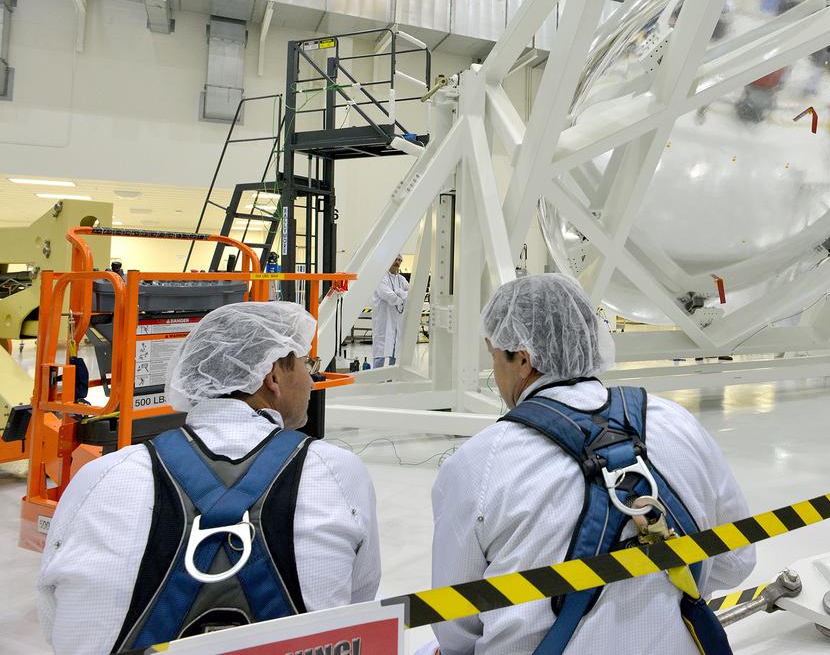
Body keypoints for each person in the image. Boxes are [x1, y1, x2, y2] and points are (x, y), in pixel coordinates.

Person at [431, 274, 754, 654]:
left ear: (523, 360)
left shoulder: (478, 464)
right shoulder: (675, 422)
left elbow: (456, 628)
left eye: (494, 356)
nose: (494, 373)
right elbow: (736, 561)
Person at [37, 302, 381, 654]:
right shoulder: (335, 472)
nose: (311, 379)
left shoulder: (100, 477)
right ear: (273, 376)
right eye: (308, 364)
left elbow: (54, 616)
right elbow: (356, 608)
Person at [371, 254, 409, 368]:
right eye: (396, 259)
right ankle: (377, 376)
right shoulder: (381, 277)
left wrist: (399, 292)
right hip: (383, 319)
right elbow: (387, 295)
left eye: (400, 260)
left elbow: (410, 293)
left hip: (397, 320)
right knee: (380, 350)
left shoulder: (401, 279)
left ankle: (392, 376)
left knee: (395, 349)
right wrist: (401, 298)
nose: (397, 262)